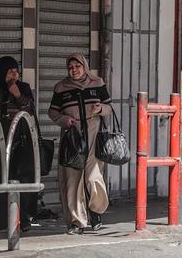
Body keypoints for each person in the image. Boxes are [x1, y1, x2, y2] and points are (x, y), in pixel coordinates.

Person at [48, 53, 113, 235]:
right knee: (72, 180)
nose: (74, 70)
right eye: (70, 67)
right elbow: (52, 113)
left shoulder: (97, 84)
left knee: (92, 177)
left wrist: (101, 109)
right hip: (72, 136)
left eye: (77, 66)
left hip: (94, 133)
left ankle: (95, 211)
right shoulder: (61, 88)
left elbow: (109, 107)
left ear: (84, 67)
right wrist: (64, 120)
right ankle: (76, 222)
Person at [0, 56, 37, 233]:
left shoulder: (23, 88)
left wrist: (16, 92)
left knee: (18, 178)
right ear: (1, 71)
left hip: (19, 138)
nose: (14, 73)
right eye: (10, 70)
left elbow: (30, 110)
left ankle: (21, 219)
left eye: (16, 70)